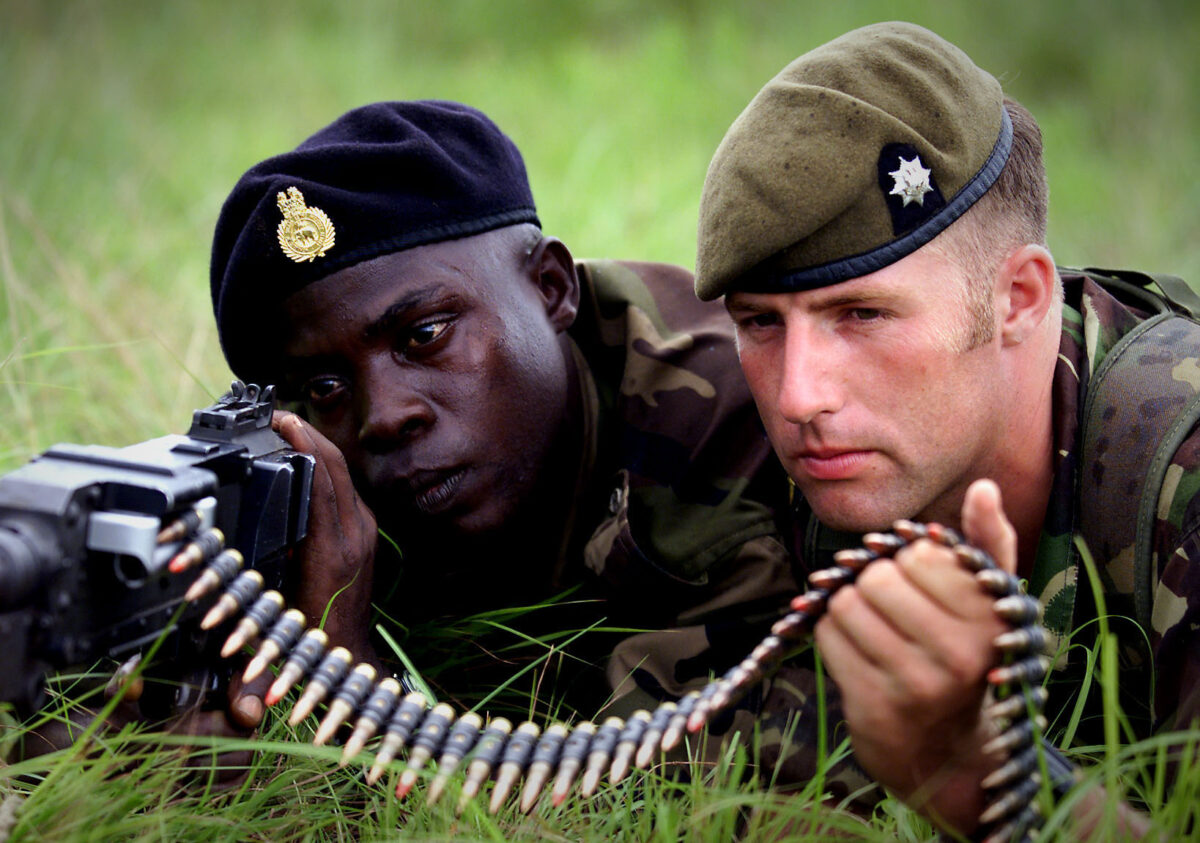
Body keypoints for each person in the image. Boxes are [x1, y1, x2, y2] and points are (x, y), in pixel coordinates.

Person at [693, 21, 1198, 837]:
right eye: (759, 323)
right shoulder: (810, 440)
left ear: (1021, 299)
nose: (798, 398)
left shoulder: (1183, 473)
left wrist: (981, 777)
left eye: (861, 314)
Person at [208, 101, 800, 732]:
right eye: (326, 384)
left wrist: (351, 668)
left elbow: (665, 794)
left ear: (552, 289)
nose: (383, 417)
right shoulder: (319, 471)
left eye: (426, 334)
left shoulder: (732, 422)